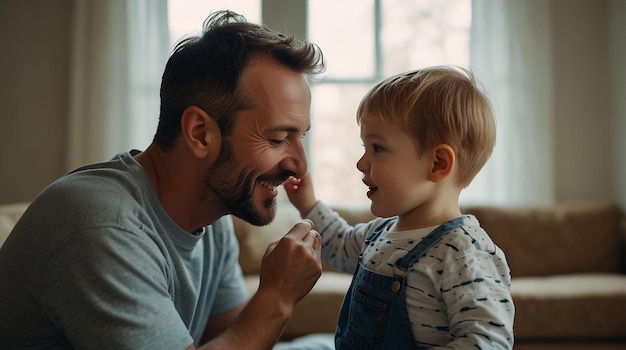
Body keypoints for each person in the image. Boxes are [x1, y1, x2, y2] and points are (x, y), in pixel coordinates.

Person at [0, 10, 328, 350]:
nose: (300, 167)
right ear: (200, 133)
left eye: (300, 137)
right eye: (276, 139)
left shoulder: (212, 214)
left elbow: (232, 340)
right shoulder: (102, 226)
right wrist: (276, 298)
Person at [284, 66, 515, 349]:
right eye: (364, 147)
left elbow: (488, 341)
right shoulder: (379, 234)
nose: (361, 163)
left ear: (437, 164)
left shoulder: (463, 253)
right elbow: (338, 244)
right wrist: (308, 204)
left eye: (377, 149)